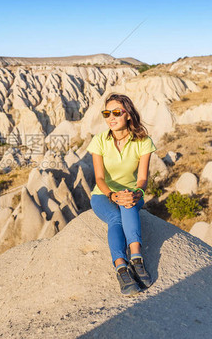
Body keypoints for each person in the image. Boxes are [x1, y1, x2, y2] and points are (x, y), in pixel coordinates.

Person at [86, 93, 156, 296]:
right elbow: (99, 178)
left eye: (117, 112)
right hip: (103, 194)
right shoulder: (99, 141)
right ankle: (121, 268)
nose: (111, 117)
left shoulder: (143, 142)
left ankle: (136, 259)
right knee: (115, 218)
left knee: (129, 204)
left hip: (132, 192)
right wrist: (112, 196)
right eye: (107, 113)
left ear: (128, 115)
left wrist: (137, 193)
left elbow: (142, 178)